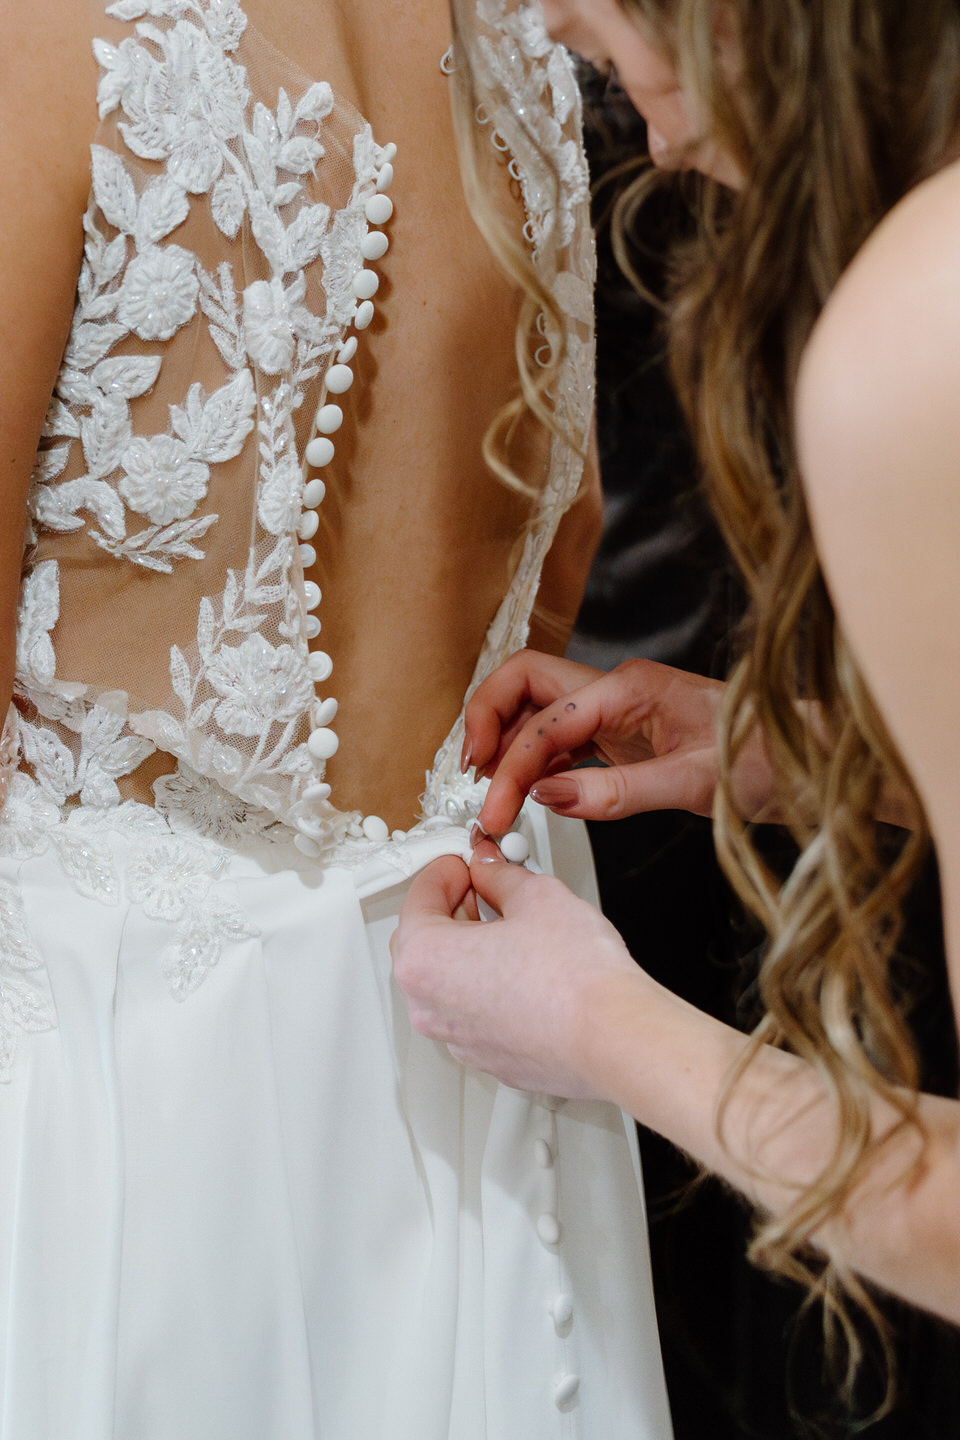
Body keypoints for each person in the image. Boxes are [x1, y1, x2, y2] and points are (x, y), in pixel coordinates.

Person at [0, 0, 676, 1435]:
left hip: (134, 1094)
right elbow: (559, 557)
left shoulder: (41, 45)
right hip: (487, 1012)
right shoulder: (522, 57)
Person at [393, 0, 960, 1361]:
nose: (649, 136)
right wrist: (809, 756)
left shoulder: (916, 344)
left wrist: (597, 1025)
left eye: (601, 49)